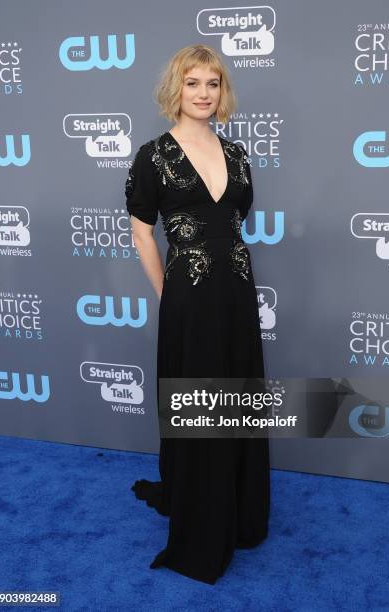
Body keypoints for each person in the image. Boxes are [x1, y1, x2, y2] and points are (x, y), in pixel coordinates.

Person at [125, 44, 271, 585]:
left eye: (212, 83)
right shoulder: (152, 155)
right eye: (193, 83)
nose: (204, 93)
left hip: (236, 293)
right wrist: (168, 294)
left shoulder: (236, 153)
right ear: (176, 89)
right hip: (188, 296)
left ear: (222, 90)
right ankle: (202, 526)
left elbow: (232, 222)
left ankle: (241, 513)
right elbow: (142, 230)